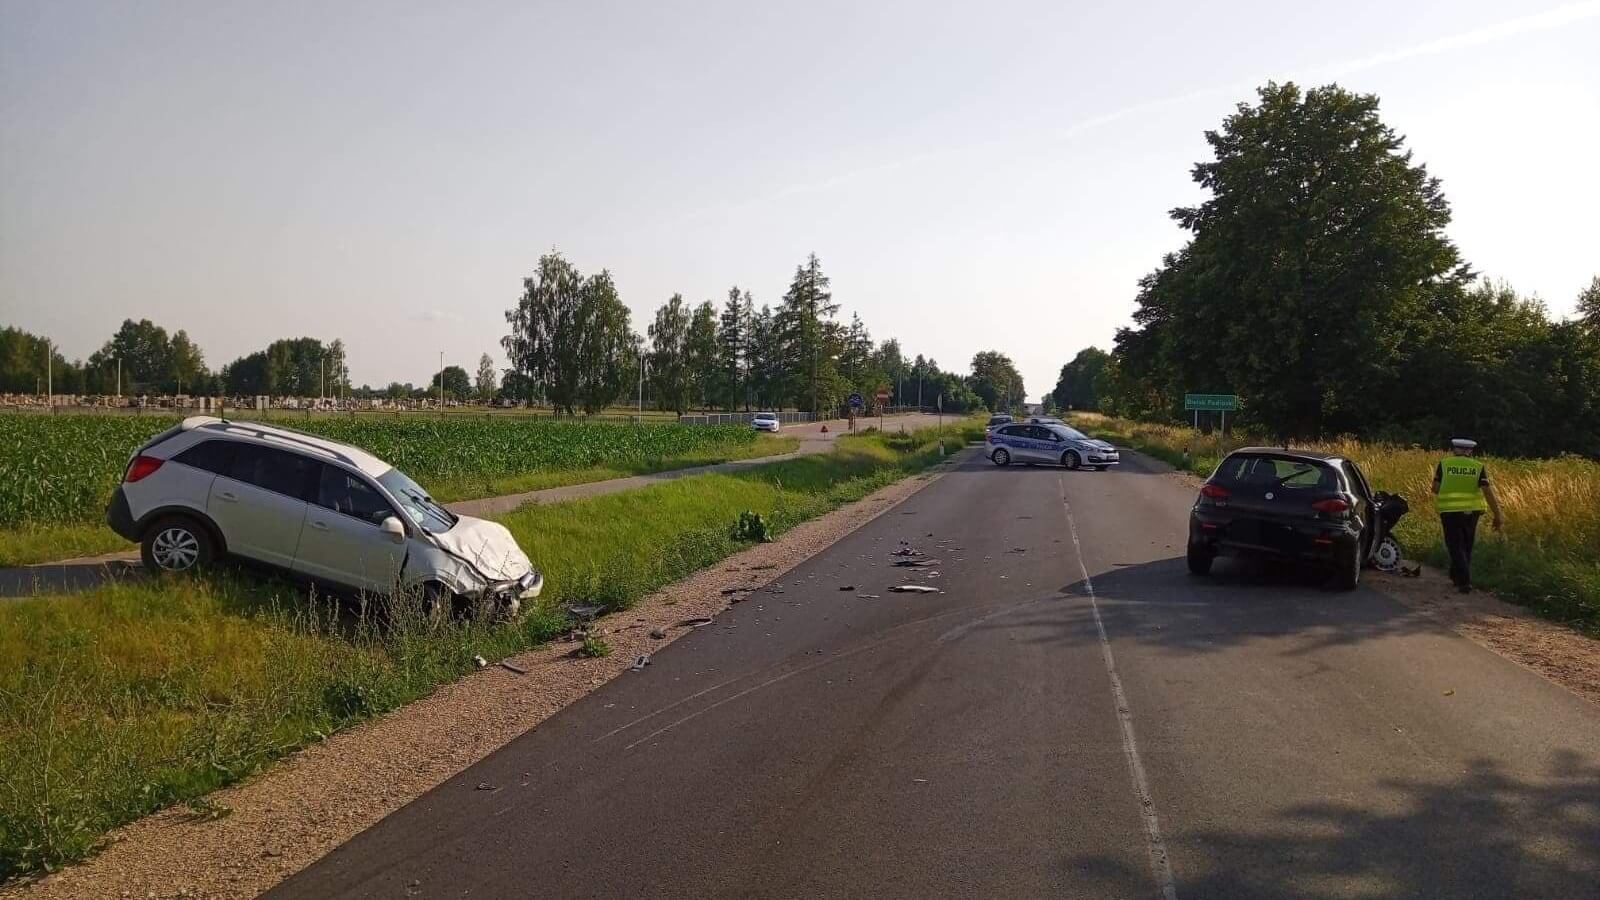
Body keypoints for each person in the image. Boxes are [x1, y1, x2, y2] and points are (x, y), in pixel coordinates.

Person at [1432, 438, 1503, 593]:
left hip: (1450, 511)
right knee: (1466, 544)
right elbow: (1487, 491)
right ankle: (1455, 575)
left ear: (1454, 449)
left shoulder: (1445, 464)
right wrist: (1497, 514)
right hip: (1472, 512)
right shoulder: (1478, 467)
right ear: (1470, 451)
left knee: (1455, 545)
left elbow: (1435, 488)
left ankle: (1464, 582)